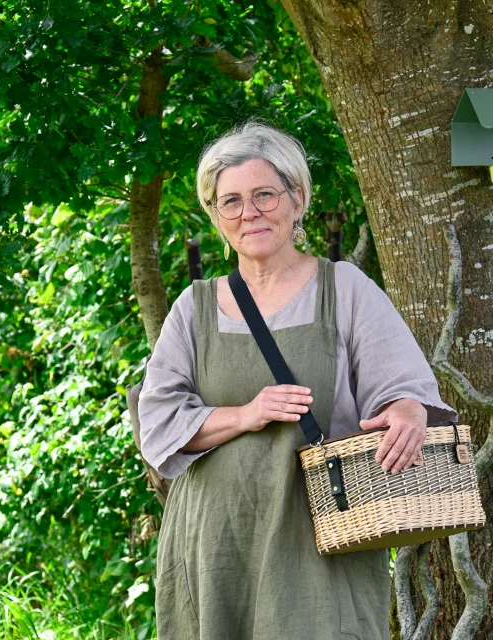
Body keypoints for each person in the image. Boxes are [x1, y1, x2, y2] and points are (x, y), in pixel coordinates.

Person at [137, 121, 457, 640]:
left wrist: (405, 412)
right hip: (218, 544)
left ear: (297, 197)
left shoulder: (345, 289)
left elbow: (405, 389)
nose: (250, 212)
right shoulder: (192, 309)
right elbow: (158, 423)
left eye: (265, 194)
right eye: (231, 201)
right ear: (216, 216)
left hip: (319, 539)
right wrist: (247, 414)